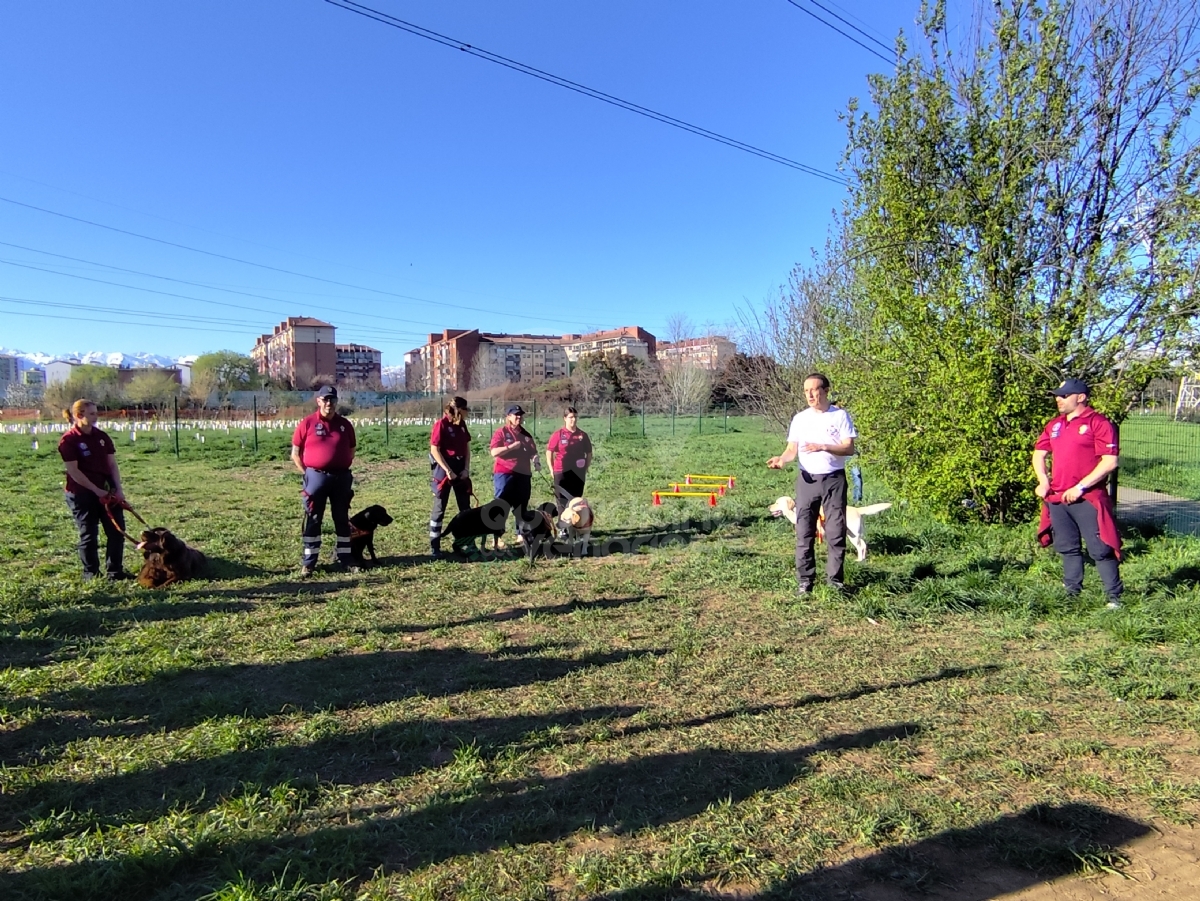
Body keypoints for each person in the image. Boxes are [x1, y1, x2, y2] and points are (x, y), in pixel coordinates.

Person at [1033, 378, 1123, 608]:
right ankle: (1071, 593)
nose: (1058, 399)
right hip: (1058, 497)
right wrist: (1043, 481)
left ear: (1080, 397)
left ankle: (1114, 598)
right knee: (1067, 546)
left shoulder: (1098, 423)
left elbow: (1110, 462)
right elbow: (1039, 453)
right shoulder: (1055, 425)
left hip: (1088, 497)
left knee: (1100, 548)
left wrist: (1080, 487)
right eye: (1058, 395)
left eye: (1064, 395)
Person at [767, 372, 858, 594]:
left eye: (814, 389)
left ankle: (835, 582)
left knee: (836, 532)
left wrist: (824, 446)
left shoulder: (840, 416)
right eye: (806, 390)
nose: (809, 394)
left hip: (834, 480)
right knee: (804, 532)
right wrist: (782, 459)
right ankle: (805, 582)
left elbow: (849, 448)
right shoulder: (800, 419)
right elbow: (792, 449)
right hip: (807, 480)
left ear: (825, 391)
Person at [57, 399, 131, 582]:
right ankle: (91, 573)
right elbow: (74, 471)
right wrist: (96, 491)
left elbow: (112, 464)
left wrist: (118, 490)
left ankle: (115, 572)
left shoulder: (102, 436)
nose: (96, 417)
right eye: (92, 414)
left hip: (108, 491)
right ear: (78, 415)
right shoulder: (69, 440)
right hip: (82, 493)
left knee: (117, 531)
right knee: (89, 534)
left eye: (96, 413)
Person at [292, 385, 357, 576]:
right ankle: (309, 563)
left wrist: (341, 463)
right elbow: (295, 453)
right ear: (318, 401)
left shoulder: (345, 424)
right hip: (316, 476)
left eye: (333, 400)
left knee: (341, 519)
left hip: (341, 477)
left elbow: (352, 449)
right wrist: (308, 473)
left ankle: (344, 558)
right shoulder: (308, 423)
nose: (329, 403)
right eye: (326, 399)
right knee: (313, 518)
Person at [429, 395, 473, 558]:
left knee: (465, 508)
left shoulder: (462, 425)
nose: (468, 412)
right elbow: (435, 449)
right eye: (466, 409)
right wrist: (448, 471)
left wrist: (466, 469)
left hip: (460, 468)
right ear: (459, 410)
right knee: (440, 507)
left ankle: (467, 543)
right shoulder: (441, 425)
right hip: (444, 468)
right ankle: (435, 546)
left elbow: (467, 448)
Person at [490, 403, 540, 541]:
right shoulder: (501, 433)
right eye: (516, 415)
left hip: (523, 474)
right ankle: (497, 536)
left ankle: (520, 533)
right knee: (501, 504)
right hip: (504, 473)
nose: (519, 417)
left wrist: (536, 460)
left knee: (521, 505)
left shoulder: (525, 435)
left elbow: (533, 452)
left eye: (520, 415)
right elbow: (494, 452)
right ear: (509, 416)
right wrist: (511, 447)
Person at [545, 406, 592, 525]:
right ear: (565, 418)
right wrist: (551, 469)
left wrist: (586, 467)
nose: (573, 420)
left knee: (576, 500)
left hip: (578, 472)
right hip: (561, 471)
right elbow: (549, 452)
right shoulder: (558, 435)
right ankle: (563, 526)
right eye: (571, 417)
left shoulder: (582, 435)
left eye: (575, 417)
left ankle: (576, 524)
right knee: (562, 500)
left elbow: (589, 453)